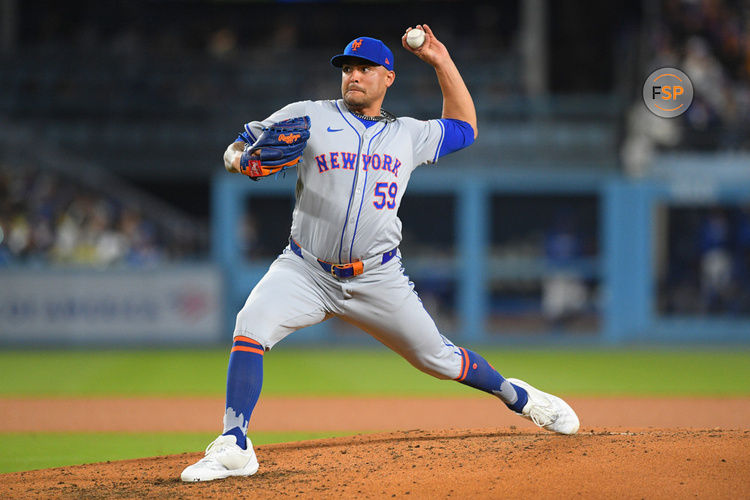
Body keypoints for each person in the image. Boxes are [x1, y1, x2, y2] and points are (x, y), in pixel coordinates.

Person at [181, 25, 579, 483]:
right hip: (305, 269)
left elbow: (466, 128)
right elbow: (241, 142)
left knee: (440, 360)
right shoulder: (309, 115)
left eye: (365, 68)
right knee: (250, 326)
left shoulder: (408, 135)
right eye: (347, 68)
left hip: (377, 277)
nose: (353, 75)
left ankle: (521, 398)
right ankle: (235, 444)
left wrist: (441, 61)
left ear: (387, 77)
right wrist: (238, 159)